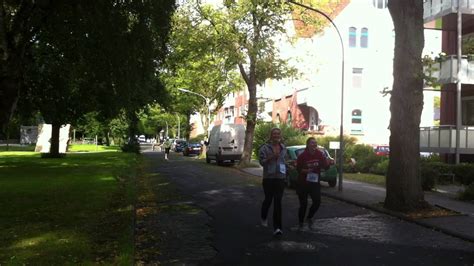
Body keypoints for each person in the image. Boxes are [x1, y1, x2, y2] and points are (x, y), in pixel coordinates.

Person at [258, 127, 287, 236]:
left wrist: (290, 165)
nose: (276, 136)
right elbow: (262, 162)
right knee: (268, 199)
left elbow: (284, 161)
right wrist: (271, 157)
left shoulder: (283, 148)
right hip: (268, 178)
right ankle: (264, 216)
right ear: (271, 136)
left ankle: (277, 228)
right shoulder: (264, 148)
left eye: (278, 134)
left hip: (280, 178)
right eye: (274, 134)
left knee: (278, 202)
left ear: (280, 135)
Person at [296, 137, 329, 229]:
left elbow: (325, 167)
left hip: (314, 183)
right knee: (303, 204)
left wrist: (328, 163)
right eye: (312, 143)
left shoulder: (320, 154)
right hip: (303, 183)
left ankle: (309, 217)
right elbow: (298, 169)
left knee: (317, 202)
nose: (314, 144)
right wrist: (306, 171)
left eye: (315, 143)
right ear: (308, 144)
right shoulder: (302, 156)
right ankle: (300, 222)